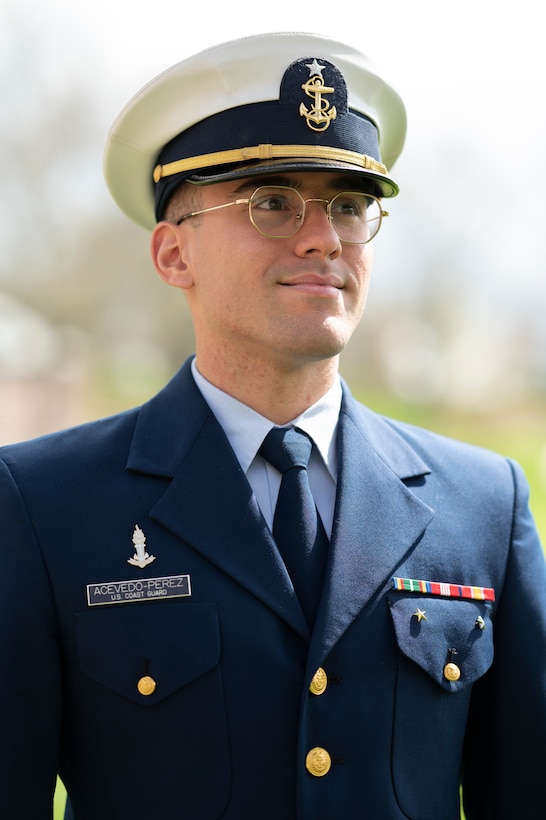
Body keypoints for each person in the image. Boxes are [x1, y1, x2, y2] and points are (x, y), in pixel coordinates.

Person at [1, 32, 545, 820]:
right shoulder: (43, 505)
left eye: (351, 206)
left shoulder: (484, 504)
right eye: (272, 202)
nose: (323, 236)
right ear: (172, 253)